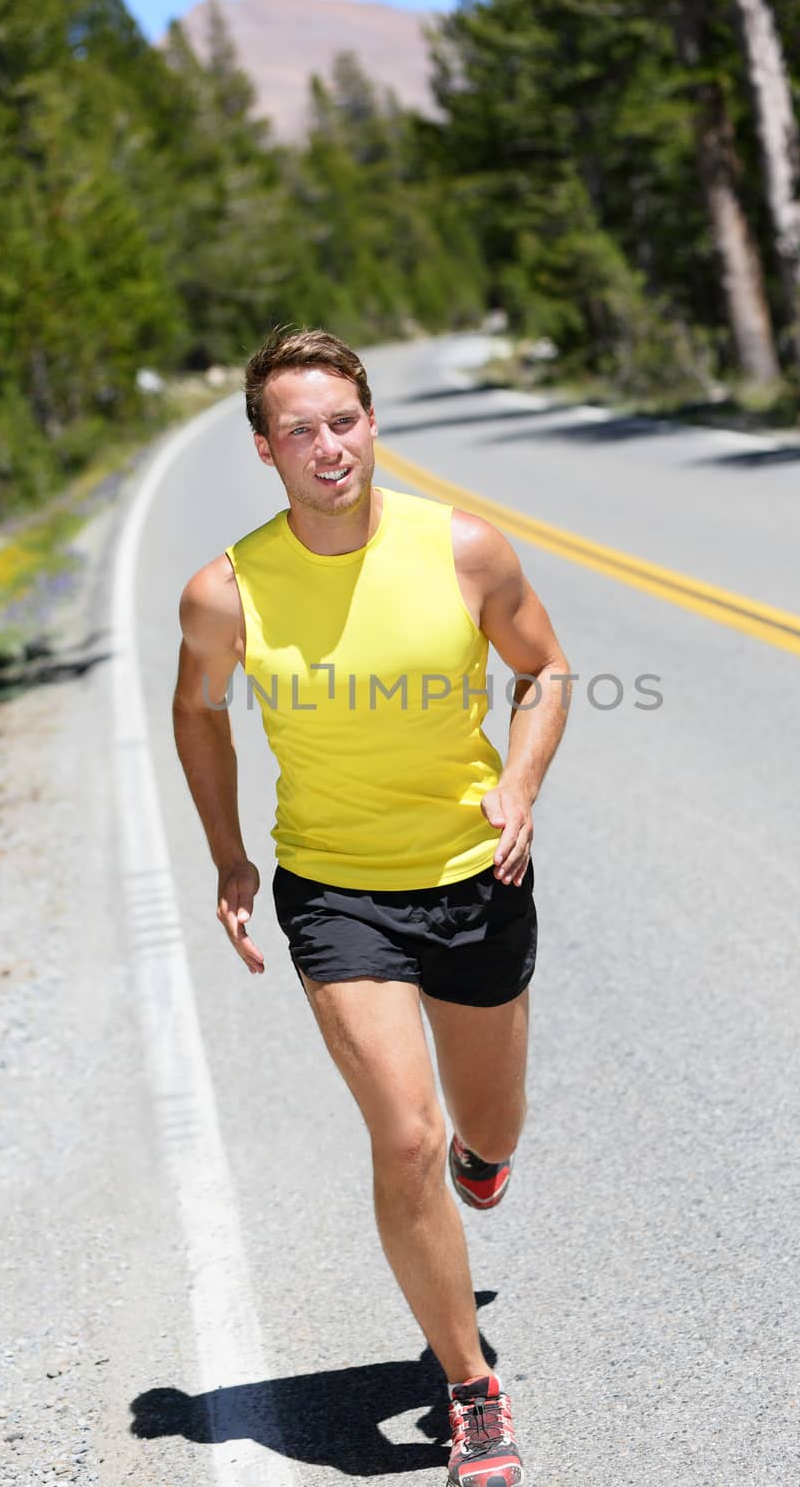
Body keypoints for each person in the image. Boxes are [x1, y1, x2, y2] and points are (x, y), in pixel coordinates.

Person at [173, 328, 570, 1486]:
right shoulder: (226, 590)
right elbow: (199, 714)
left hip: (473, 871)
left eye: (340, 420)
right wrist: (227, 856)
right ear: (263, 448)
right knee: (402, 1134)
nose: (324, 445)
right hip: (335, 888)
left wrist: (520, 779)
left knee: (483, 1129)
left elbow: (542, 669)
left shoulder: (461, 547)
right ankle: (468, 1386)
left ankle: (481, 1158)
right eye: (297, 428)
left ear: (371, 425)